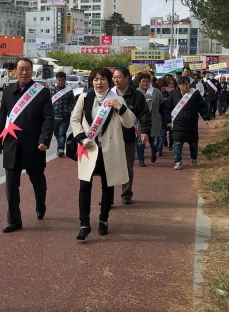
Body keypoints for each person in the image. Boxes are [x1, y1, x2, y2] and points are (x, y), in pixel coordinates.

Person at [70, 68, 134, 240]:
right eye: (96, 79)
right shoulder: (84, 98)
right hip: (88, 148)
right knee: (84, 187)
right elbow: (74, 120)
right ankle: (84, 224)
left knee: (108, 185)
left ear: (109, 82)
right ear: (91, 81)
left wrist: (119, 107)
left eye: (103, 79)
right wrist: (82, 138)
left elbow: (129, 124)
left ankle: (103, 220)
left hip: (109, 149)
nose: (99, 83)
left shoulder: (117, 99)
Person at [0, 57, 54, 233]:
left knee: (37, 181)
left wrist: (44, 140)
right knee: (11, 186)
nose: (24, 72)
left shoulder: (42, 92)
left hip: (34, 145)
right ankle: (14, 220)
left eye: (27, 69)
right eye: (21, 69)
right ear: (15, 71)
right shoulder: (8, 92)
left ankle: (40, 204)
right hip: (12, 145)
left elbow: (48, 119)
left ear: (31, 70)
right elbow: (2, 119)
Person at [113, 67, 151, 204]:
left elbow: (144, 114)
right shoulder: (109, 94)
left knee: (127, 167)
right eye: (114, 77)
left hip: (127, 136)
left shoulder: (137, 96)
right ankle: (108, 196)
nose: (116, 80)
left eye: (119, 77)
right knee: (109, 167)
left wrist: (145, 131)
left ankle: (126, 194)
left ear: (127, 78)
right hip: (110, 137)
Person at [164, 76, 211, 170]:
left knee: (193, 143)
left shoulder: (195, 94)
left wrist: (206, 118)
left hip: (191, 122)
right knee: (177, 143)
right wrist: (168, 121)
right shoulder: (174, 95)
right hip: (178, 123)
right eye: (182, 84)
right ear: (179, 85)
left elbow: (202, 106)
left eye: (186, 84)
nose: (185, 86)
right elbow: (168, 108)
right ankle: (178, 162)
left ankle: (194, 159)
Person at [137, 72, 165, 164]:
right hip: (140, 121)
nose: (145, 83)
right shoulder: (136, 92)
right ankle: (141, 160)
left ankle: (154, 151)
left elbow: (162, 105)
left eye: (147, 81)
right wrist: (142, 97)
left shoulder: (156, 91)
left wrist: (160, 115)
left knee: (153, 141)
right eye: (143, 81)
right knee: (140, 141)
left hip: (154, 119)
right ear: (139, 82)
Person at [50, 71, 78, 157]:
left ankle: (61, 149)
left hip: (65, 117)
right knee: (57, 134)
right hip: (54, 117)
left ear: (65, 80)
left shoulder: (68, 91)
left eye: (62, 80)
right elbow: (48, 102)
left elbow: (73, 102)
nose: (60, 82)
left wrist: (68, 110)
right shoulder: (52, 90)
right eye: (58, 80)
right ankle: (59, 147)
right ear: (56, 80)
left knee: (62, 134)